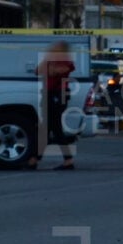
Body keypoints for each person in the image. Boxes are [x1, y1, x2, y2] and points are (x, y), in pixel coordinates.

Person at [29, 41, 76, 170]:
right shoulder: (50, 60)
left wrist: (50, 63)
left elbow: (53, 72)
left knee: (53, 127)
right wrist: (47, 60)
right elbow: (38, 71)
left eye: (56, 48)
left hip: (58, 96)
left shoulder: (66, 62)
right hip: (48, 95)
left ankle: (35, 159)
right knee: (49, 128)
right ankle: (35, 159)